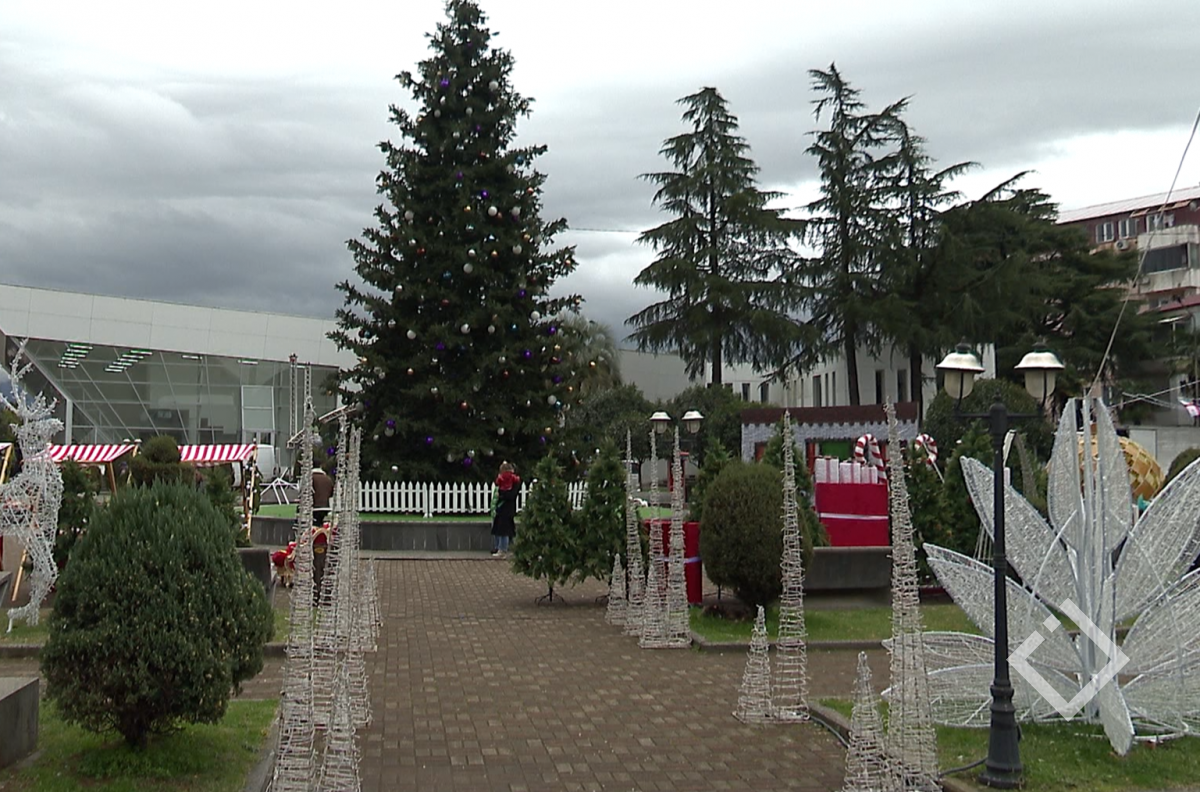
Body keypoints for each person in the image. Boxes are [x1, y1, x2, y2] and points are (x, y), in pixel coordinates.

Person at [490, 462, 520, 557]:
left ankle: (503, 549)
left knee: (504, 530)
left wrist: (502, 494)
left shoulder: (514, 482)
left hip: (507, 509)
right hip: (502, 508)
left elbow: (511, 495)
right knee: (499, 529)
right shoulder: (504, 480)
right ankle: (499, 547)